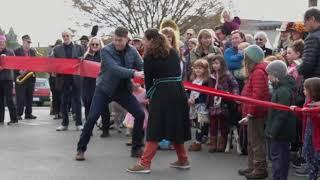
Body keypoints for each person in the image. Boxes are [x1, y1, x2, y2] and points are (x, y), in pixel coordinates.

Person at [127, 28, 191, 173]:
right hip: (178, 91)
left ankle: (145, 163)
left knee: (154, 127)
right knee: (176, 125)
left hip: (162, 93)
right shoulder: (173, 52)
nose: (143, 42)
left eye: (144, 39)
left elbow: (149, 81)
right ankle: (183, 159)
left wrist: (150, 96)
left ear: (150, 40)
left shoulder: (150, 56)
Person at [75, 27, 145, 160]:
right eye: (115, 40)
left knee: (140, 114)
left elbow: (141, 64)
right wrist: (134, 73)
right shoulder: (106, 50)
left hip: (123, 90)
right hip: (104, 90)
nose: (117, 43)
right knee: (92, 117)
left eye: (120, 40)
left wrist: (145, 71)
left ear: (127, 39)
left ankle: (136, 148)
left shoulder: (132, 50)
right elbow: (114, 69)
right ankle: (81, 149)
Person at [238, 45, 270, 179]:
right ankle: (252, 167)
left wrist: (250, 112)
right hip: (253, 112)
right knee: (252, 141)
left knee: (256, 142)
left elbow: (257, 95)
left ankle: (260, 169)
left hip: (256, 113)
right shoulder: (256, 71)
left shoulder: (258, 72)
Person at [265, 60, 297, 180]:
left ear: (276, 75)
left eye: (270, 74)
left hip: (280, 132)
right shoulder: (280, 88)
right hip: (279, 131)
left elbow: (281, 114)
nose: (268, 77)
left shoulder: (283, 91)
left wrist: (272, 131)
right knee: (278, 157)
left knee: (279, 159)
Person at [52, 31, 84, 131]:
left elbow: (84, 60)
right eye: (64, 36)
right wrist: (54, 69)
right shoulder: (57, 49)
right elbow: (52, 61)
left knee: (77, 101)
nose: (65, 38)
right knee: (64, 102)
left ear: (71, 37)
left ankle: (79, 124)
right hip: (63, 78)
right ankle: (64, 124)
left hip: (76, 78)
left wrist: (81, 59)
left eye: (67, 36)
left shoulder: (79, 48)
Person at [206, 55, 239, 153]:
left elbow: (235, 85)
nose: (215, 65)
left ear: (222, 64)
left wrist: (234, 96)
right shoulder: (211, 75)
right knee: (213, 124)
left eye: (217, 63)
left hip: (224, 102)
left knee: (223, 123)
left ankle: (222, 143)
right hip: (213, 102)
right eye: (213, 63)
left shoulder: (227, 74)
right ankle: (213, 144)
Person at [291, 78, 320, 180]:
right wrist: (296, 110)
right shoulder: (309, 103)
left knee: (316, 162)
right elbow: (303, 115)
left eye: (305, 89)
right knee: (311, 162)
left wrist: (312, 111)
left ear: (313, 91)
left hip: (317, 142)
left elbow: (316, 119)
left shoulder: (316, 107)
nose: (303, 91)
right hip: (310, 138)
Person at [81, 37, 111, 138]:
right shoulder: (85, 56)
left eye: (96, 44)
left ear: (100, 45)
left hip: (100, 84)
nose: (94, 46)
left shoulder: (104, 55)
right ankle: (89, 129)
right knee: (88, 107)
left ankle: (105, 129)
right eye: (92, 44)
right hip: (87, 84)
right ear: (89, 45)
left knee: (103, 107)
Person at [187, 59, 210, 152]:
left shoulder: (206, 81)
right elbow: (188, 90)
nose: (197, 70)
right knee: (197, 122)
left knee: (201, 123)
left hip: (201, 105)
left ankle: (198, 142)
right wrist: (188, 98)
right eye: (196, 68)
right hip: (193, 105)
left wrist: (195, 100)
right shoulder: (193, 79)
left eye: (200, 68)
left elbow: (204, 95)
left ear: (205, 69)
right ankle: (203, 136)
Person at [14, 35, 37, 120]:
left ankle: (28, 113)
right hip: (20, 77)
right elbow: (13, 63)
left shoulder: (33, 52)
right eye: (28, 42)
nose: (29, 44)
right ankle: (18, 114)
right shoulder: (16, 51)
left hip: (30, 77)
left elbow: (35, 63)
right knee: (20, 97)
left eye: (30, 42)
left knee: (29, 97)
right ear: (23, 41)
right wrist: (18, 71)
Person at [123, 81, 149, 145]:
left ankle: (141, 140)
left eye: (135, 87)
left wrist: (143, 102)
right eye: (132, 87)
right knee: (132, 127)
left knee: (141, 127)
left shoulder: (144, 92)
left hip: (142, 110)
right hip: (132, 112)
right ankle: (133, 139)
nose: (134, 88)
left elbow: (149, 100)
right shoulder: (130, 92)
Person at [0, 35, 18, 125]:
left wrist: (4, 63)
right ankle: (0, 119)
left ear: (5, 43)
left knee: (9, 99)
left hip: (7, 79)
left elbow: (14, 63)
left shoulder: (10, 52)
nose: (0, 44)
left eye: (2, 43)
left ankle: (14, 119)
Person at [298, 7, 320, 79]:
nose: (304, 24)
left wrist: (297, 68)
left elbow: (307, 65)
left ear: (312, 19)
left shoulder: (313, 37)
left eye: (305, 21)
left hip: (314, 83)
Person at [49, 39, 63, 120]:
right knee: (55, 96)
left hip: (61, 77)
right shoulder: (51, 54)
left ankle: (61, 112)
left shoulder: (63, 54)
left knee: (61, 96)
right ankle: (56, 112)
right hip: (53, 77)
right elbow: (48, 65)